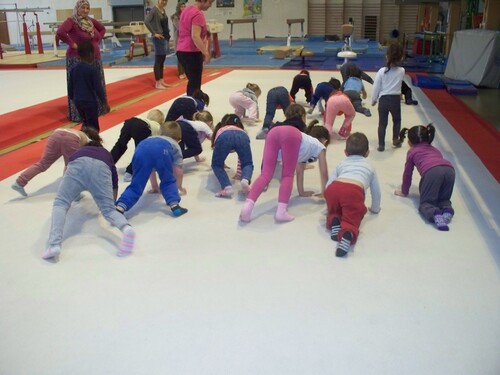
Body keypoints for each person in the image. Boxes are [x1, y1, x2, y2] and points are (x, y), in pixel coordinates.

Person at [42, 131, 135, 261]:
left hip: (78, 165)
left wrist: (71, 193)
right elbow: (114, 181)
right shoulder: (106, 155)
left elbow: (68, 171)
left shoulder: (79, 151)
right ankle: (126, 229)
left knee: (61, 203)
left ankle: (54, 244)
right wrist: (112, 203)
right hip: (102, 169)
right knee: (108, 210)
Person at [240, 104, 329, 223]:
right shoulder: (320, 147)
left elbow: (300, 169)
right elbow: (324, 172)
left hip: (273, 131)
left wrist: (301, 192)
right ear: (325, 141)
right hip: (291, 134)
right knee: (287, 175)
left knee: (265, 175)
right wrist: (325, 192)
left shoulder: (305, 145)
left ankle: (247, 207)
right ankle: (281, 212)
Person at [324, 132, 381, 257]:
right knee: (352, 216)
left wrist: (328, 198)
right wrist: (375, 209)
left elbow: (328, 184)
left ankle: (334, 219)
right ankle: (347, 233)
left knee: (335, 209)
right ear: (367, 153)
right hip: (353, 192)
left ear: (345, 152)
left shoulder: (342, 163)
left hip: (334, 188)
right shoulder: (370, 167)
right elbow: (376, 192)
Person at [115, 121, 188, 216]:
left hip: (141, 148)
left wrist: (154, 186)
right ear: (179, 139)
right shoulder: (174, 144)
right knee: (168, 180)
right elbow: (177, 171)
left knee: (136, 183)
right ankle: (174, 205)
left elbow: (151, 171)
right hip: (162, 151)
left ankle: (121, 206)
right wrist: (179, 187)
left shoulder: (151, 138)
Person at [394, 124, 455, 231]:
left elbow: (408, 173)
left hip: (432, 172)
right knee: (444, 199)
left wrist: (404, 191)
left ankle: (435, 214)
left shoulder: (412, 152)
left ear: (410, 142)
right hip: (449, 170)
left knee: (426, 203)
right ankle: (447, 210)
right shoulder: (435, 150)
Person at [57, 0, 107, 122]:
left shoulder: (90, 21)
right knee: (81, 86)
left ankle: (99, 109)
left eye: (87, 8)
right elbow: (60, 32)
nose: (85, 10)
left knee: (96, 84)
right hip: (78, 58)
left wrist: (97, 41)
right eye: (83, 8)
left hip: (94, 57)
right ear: (77, 8)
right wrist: (73, 44)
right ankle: (78, 113)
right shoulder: (72, 21)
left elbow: (102, 29)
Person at [11, 127, 99, 197]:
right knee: (71, 165)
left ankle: (19, 182)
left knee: (42, 163)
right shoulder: (88, 140)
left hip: (56, 133)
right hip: (71, 138)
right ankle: (71, 191)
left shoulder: (76, 131)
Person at [110, 109, 164, 182]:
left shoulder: (144, 119)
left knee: (120, 145)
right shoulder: (157, 127)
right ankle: (130, 172)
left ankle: (107, 164)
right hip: (142, 128)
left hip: (130, 122)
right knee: (140, 152)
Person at [68, 40, 110, 132]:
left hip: (78, 100)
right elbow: (98, 88)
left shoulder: (73, 69)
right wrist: (104, 102)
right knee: (93, 125)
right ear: (91, 54)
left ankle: (84, 139)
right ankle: (92, 142)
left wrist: (73, 98)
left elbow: (70, 86)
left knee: (85, 122)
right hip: (89, 101)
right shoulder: (92, 70)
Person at [371, 43, 405, 152]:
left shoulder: (382, 71)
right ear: (401, 57)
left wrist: (373, 99)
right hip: (395, 99)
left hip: (383, 100)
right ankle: (395, 138)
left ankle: (381, 144)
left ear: (387, 56)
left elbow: (376, 87)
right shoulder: (401, 71)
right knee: (397, 120)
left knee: (382, 123)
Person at [176, 0, 214, 96]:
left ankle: (192, 102)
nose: (210, 6)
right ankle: (192, 106)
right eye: (210, 3)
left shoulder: (186, 10)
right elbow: (195, 36)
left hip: (181, 50)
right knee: (195, 85)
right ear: (203, 1)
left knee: (193, 82)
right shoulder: (198, 14)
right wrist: (206, 52)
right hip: (191, 52)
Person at [210, 114, 254, 198]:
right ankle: (245, 180)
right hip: (243, 137)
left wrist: (221, 161)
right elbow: (241, 158)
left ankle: (227, 187)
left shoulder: (221, 130)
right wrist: (239, 173)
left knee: (217, 165)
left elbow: (217, 154)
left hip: (224, 137)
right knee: (247, 163)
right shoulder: (242, 131)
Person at [145, 0, 171, 89]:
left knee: (162, 60)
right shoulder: (154, 10)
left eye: (166, 0)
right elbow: (146, 21)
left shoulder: (163, 10)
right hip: (158, 38)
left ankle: (161, 80)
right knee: (158, 60)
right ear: (158, 0)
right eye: (162, 0)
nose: (164, 2)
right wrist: (154, 33)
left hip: (164, 37)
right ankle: (157, 82)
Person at [171, 0, 187, 79]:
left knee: (185, 56)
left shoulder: (186, 15)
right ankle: (180, 72)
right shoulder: (175, 17)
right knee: (180, 56)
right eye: (182, 7)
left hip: (185, 38)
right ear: (178, 8)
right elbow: (179, 27)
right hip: (178, 38)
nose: (183, 8)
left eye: (184, 6)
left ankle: (184, 71)